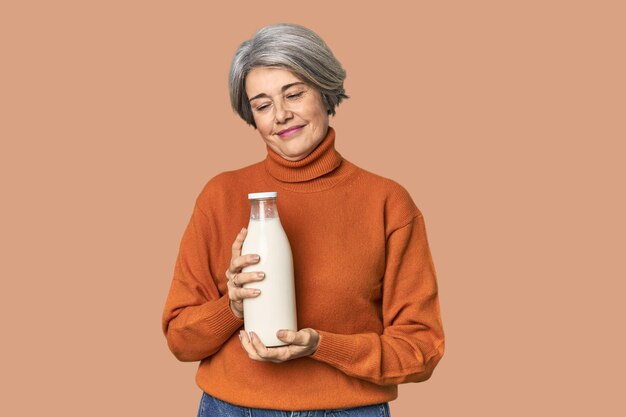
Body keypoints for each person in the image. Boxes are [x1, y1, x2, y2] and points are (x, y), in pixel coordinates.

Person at [162, 23, 445, 417]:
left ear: (326, 93)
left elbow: (421, 349)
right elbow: (180, 340)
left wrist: (321, 346)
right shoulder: (221, 196)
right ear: (251, 117)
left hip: (350, 412)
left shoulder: (387, 202)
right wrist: (234, 307)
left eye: (294, 94)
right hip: (232, 409)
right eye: (262, 105)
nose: (280, 115)